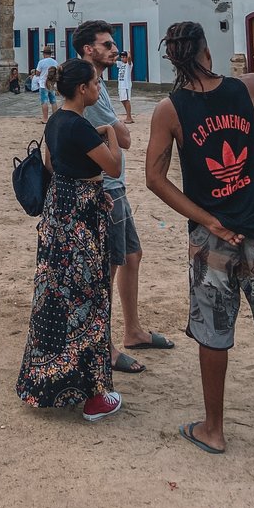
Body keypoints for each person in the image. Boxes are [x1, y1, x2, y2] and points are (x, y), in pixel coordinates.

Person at [145, 22, 254, 455]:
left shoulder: (169, 109)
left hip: (210, 239)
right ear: (206, 51)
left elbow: (154, 179)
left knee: (213, 329)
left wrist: (207, 220)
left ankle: (213, 429)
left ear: (175, 58)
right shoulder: (243, 90)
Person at [17, 58, 124, 420]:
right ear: (82, 89)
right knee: (90, 299)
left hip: (57, 210)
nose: (98, 88)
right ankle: (94, 395)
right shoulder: (80, 126)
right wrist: (109, 133)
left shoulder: (54, 123)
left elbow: (50, 166)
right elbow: (113, 167)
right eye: (95, 83)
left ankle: (42, 381)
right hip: (81, 215)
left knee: (53, 297)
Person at [73, 20, 174, 375]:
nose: (115, 49)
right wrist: (119, 128)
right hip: (105, 187)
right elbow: (126, 140)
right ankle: (106, 345)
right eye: (107, 44)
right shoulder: (91, 88)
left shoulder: (97, 84)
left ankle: (132, 330)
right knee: (109, 264)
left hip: (114, 184)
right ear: (88, 49)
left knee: (132, 255)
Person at [35, 45, 60, 122]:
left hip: (43, 83)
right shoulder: (55, 62)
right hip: (52, 84)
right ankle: (55, 118)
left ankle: (45, 119)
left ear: (44, 54)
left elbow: (37, 73)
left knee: (44, 101)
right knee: (53, 101)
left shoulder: (41, 62)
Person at [116, 51, 134, 124]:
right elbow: (113, 60)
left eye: (124, 57)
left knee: (126, 100)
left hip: (126, 85)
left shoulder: (129, 65)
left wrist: (128, 53)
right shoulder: (121, 64)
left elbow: (129, 58)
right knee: (122, 100)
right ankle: (127, 115)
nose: (123, 58)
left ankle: (129, 117)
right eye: (122, 57)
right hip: (121, 85)